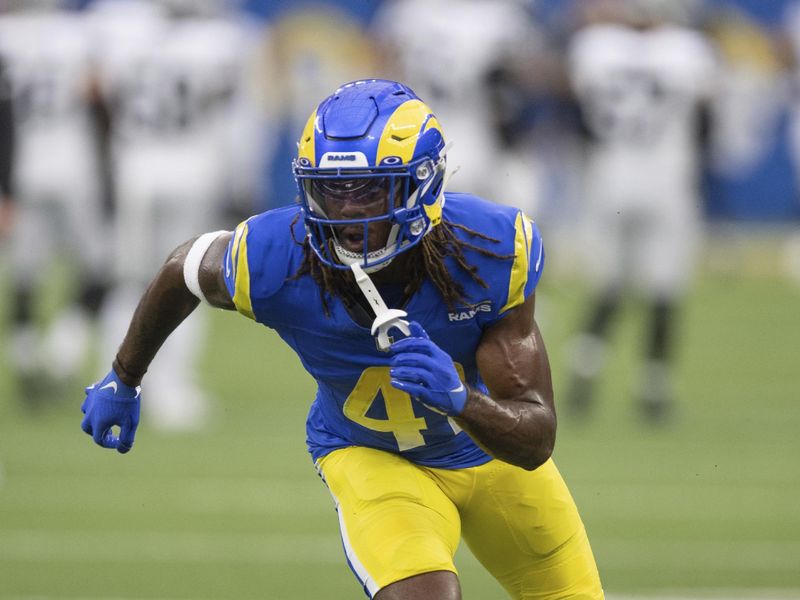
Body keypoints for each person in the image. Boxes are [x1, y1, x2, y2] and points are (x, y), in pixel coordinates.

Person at [80, 79, 604, 599]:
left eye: (370, 187)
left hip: (488, 458)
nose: (347, 211)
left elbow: (535, 437)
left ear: (422, 182)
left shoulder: (487, 250)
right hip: (369, 454)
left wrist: (462, 401)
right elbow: (182, 271)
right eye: (331, 188)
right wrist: (124, 377)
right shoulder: (276, 256)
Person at [563, 0, 717, 423]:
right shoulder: (689, 49)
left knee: (607, 286)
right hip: (667, 178)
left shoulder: (594, 45)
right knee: (664, 288)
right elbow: (706, 120)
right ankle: (655, 387)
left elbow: (577, 112)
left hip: (610, 176)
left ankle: (582, 376)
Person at [0, 1, 112, 404]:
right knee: (100, 267)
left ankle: (27, 359)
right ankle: (63, 352)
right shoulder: (80, 35)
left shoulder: (7, 37)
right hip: (73, 167)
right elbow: (99, 95)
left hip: (22, 168)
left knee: (25, 274)